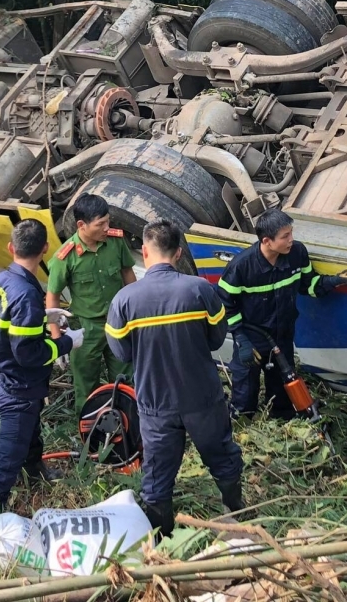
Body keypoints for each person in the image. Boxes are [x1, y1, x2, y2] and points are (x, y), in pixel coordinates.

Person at [106, 220, 243, 536]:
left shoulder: (125, 300)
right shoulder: (200, 290)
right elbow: (215, 338)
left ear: (144, 251)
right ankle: (237, 517)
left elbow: (122, 353)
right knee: (222, 456)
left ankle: (162, 540)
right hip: (203, 397)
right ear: (179, 252)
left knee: (157, 475)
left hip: (156, 402)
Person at [0, 220, 81, 517]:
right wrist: (66, 344)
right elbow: (27, 353)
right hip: (18, 387)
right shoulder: (26, 292)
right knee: (7, 457)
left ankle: (35, 470)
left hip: (14, 381)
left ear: (11, 247)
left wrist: (42, 315)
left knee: (31, 433)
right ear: (46, 249)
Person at [217, 209, 342, 420]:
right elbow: (224, 304)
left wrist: (335, 281)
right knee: (246, 384)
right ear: (267, 241)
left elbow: (309, 285)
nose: (291, 240)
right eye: (285, 237)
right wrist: (240, 338)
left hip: (282, 334)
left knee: (282, 384)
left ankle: (281, 416)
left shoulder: (297, 254)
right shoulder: (241, 267)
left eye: (291, 233)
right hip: (253, 338)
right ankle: (242, 418)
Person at [45, 194, 135, 409]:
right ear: (81, 225)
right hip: (86, 329)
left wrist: (136, 314)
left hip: (117, 323)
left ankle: (127, 428)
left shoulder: (115, 242)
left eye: (108, 221)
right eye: (100, 224)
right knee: (86, 386)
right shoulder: (65, 257)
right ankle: (89, 434)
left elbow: (128, 275)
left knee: (125, 380)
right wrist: (58, 340)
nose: (106, 227)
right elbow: (52, 299)